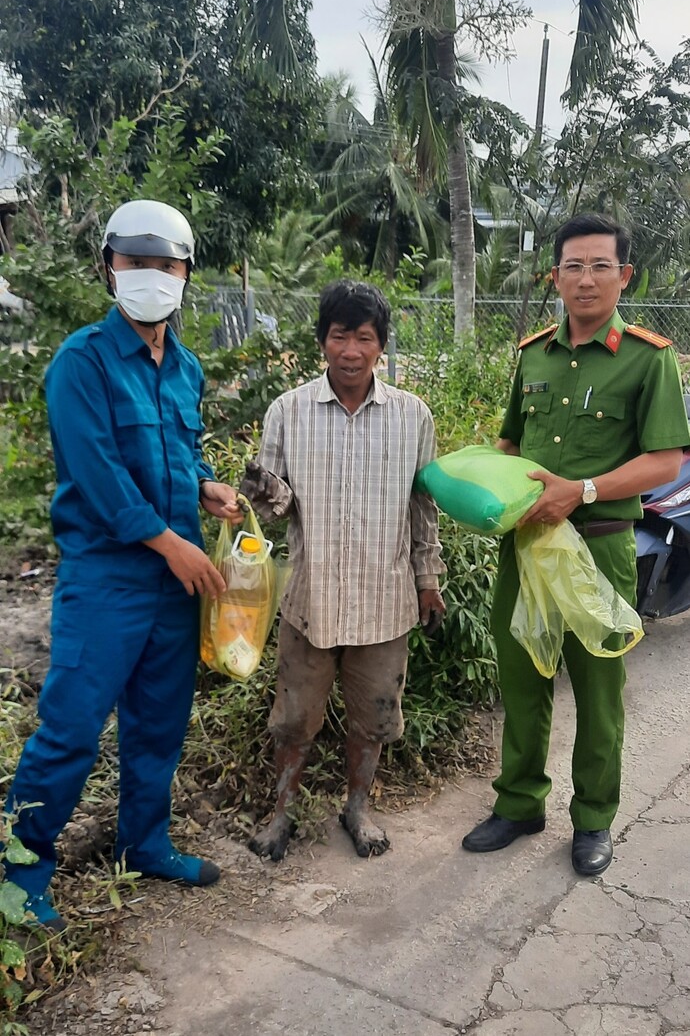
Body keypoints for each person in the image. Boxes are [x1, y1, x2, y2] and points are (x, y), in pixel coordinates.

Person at [2, 200, 245, 930]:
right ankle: (20, 869)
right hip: (108, 578)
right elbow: (100, 476)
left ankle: (145, 842)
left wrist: (207, 484)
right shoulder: (82, 362)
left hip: (174, 586)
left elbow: (182, 452)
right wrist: (173, 544)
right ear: (110, 267)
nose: (150, 276)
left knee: (158, 726)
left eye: (165, 263)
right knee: (71, 726)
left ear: (185, 273)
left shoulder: (188, 368)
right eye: (135, 261)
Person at [462, 213, 690, 875]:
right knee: (523, 679)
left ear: (625, 276)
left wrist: (581, 490)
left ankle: (593, 820)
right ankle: (520, 803)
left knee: (597, 691)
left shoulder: (649, 360)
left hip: (601, 544)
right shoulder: (532, 353)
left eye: (599, 266)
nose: (584, 279)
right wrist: (479, 483)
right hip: (527, 545)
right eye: (572, 266)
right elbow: (509, 443)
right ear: (553, 276)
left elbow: (666, 460)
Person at [239, 279, 445, 862]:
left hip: (386, 601)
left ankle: (358, 808)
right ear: (322, 341)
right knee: (293, 720)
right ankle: (281, 812)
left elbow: (421, 507)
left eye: (363, 338)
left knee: (375, 719)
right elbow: (274, 506)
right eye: (339, 337)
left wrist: (428, 579)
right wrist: (255, 492)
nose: (350, 351)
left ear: (381, 345)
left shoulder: (413, 417)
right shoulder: (288, 411)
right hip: (312, 599)